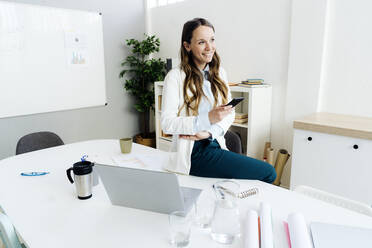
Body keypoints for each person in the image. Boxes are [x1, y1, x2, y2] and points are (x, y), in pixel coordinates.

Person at [161, 18, 276, 183]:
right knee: (268, 172)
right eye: (201, 42)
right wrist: (206, 119)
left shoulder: (220, 73)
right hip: (194, 153)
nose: (209, 47)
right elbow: (167, 123)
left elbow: (229, 113)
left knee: (258, 175)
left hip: (213, 140)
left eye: (212, 40)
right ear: (187, 46)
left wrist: (208, 132)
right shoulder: (175, 77)